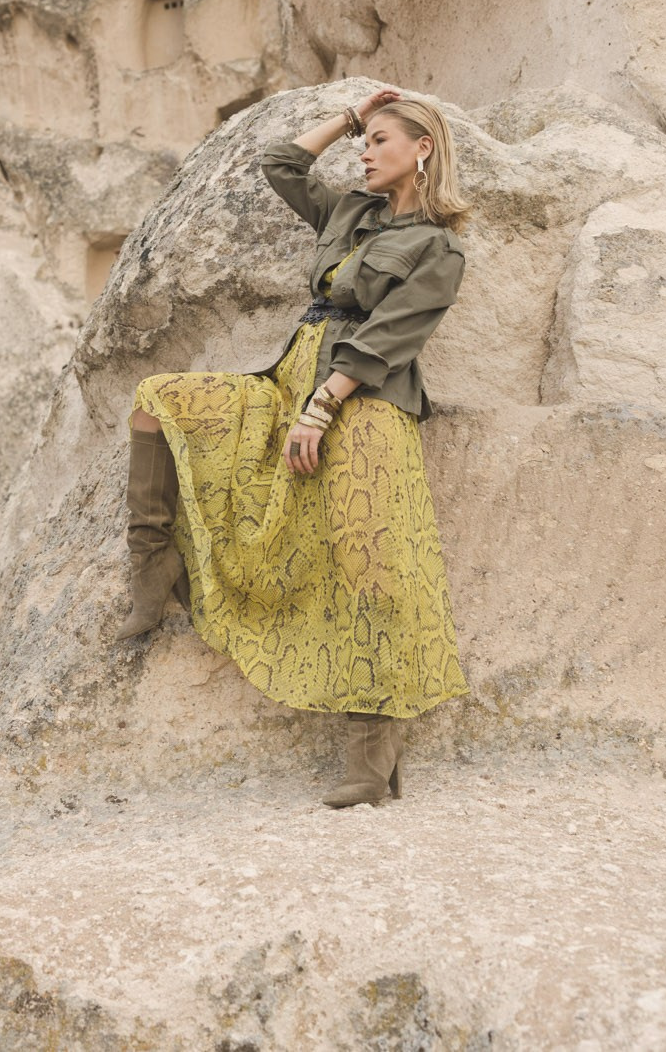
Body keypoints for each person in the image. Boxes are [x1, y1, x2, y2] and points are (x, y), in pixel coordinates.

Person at [119, 87, 472, 808]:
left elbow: (390, 336)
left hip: (365, 400)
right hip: (289, 382)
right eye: (363, 142)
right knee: (159, 399)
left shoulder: (438, 247)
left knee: (371, 561)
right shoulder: (351, 213)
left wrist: (323, 406)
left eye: (379, 141)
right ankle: (153, 564)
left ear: (422, 148)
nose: (364, 153)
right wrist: (348, 117)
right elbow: (280, 165)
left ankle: (372, 751)